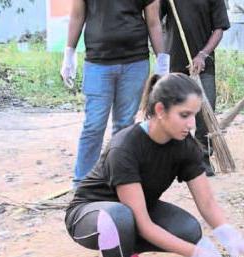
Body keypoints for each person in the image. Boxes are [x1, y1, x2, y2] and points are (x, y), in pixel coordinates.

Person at [65, 74, 244, 257]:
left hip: (133, 212)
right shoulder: (125, 147)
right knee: (119, 219)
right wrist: (197, 255)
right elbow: (145, 225)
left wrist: (230, 234)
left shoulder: (184, 145)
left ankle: (127, 254)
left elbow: (207, 202)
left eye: (195, 115)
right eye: (184, 115)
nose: (192, 124)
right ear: (160, 110)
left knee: (189, 230)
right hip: (91, 215)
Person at [61, 0, 170, 187]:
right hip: (97, 62)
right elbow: (77, 16)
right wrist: (69, 53)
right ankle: (83, 183)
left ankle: (118, 179)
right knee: (94, 125)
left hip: (135, 62)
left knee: (124, 126)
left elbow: (153, 21)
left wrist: (162, 59)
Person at [161, 0, 230, 177]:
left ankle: (203, 158)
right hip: (175, 61)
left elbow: (219, 29)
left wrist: (203, 55)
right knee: (173, 112)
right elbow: (154, 17)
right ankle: (173, 158)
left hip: (204, 64)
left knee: (205, 115)